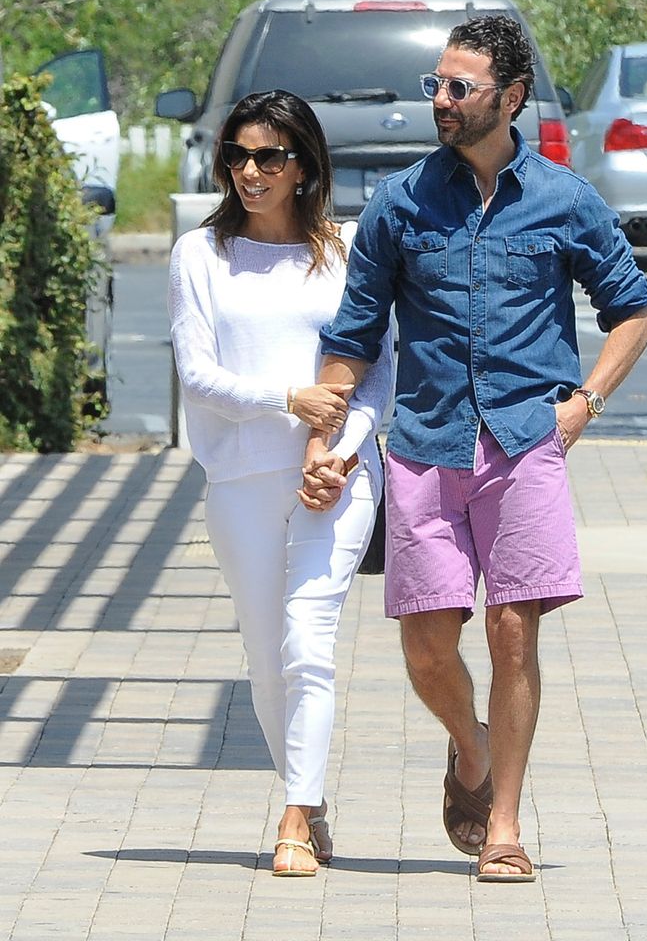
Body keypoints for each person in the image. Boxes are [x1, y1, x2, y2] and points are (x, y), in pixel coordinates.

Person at [309, 15, 647, 882]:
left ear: (510, 97)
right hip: (423, 445)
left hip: (524, 441)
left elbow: (632, 310)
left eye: (459, 87)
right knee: (425, 644)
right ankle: (473, 747)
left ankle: (503, 828)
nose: (441, 101)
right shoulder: (399, 203)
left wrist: (585, 404)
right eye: (436, 84)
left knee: (511, 630)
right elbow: (353, 335)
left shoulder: (565, 200)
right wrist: (329, 432)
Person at [168, 90, 393, 877]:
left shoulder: (349, 250)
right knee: (267, 659)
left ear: (304, 165)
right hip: (239, 477)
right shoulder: (201, 255)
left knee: (307, 640)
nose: (249, 172)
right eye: (236, 155)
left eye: (269, 157)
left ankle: (294, 818)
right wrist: (284, 398)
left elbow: (376, 380)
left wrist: (340, 450)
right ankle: (310, 796)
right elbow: (197, 375)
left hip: (335, 477)